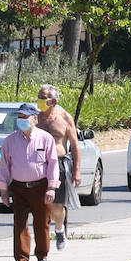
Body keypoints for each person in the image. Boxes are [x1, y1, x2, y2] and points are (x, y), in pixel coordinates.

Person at [0, 102, 59, 261]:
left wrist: (52, 187)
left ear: (34, 119)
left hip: (41, 186)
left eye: (25, 117)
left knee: (42, 223)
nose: (21, 120)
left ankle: (42, 255)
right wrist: (3, 190)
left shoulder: (46, 138)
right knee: (20, 223)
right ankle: (21, 259)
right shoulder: (10, 141)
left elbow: (53, 163)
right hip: (18, 187)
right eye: (19, 117)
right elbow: (4, 166)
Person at [36, 84, 81, 250]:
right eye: (39, 97)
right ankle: (42, 237)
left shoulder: (64, 117)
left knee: (57, 205)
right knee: (39, 203)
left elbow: (75, 146)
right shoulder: (35, 118)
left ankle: (59, 229)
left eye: (43, 97)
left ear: (53, 100)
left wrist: (76, 171)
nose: (39, 100)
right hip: (38, 164)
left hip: (59, 164)